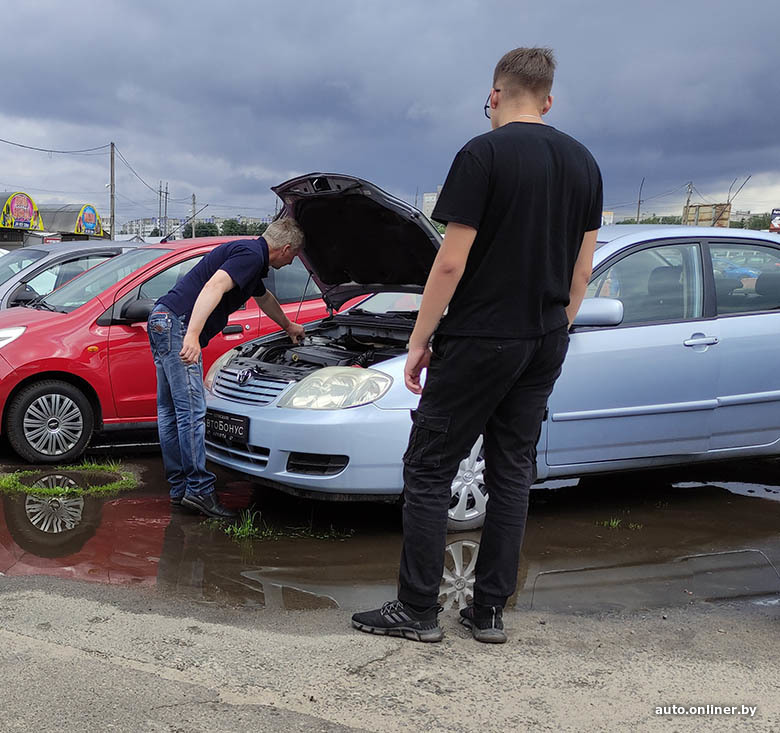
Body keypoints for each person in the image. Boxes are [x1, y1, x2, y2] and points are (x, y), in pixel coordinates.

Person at [352, 47, 603, 643]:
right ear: (548, 99)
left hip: (480, 338)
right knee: (512, 470)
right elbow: (581, 272)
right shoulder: (585, 163)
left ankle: (417, 609)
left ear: (493, 95)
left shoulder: (481, 154)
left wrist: (419, 340)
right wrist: (556, 329)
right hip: (544, 339)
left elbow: (450, 263)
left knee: (430, 465)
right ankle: (488, 611)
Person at [148, 219, 306, 519]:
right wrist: (192, 334)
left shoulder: (250, 257)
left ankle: (181, 489)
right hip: (178, 325)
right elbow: (214, 286)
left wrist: (288, 325)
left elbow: (263, 298)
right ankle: (198, 491)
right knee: (192, 413)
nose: (291, 262)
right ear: (285, 248)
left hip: (162, 318)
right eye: (294, 256)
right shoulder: (250, 255)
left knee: (171, 411)